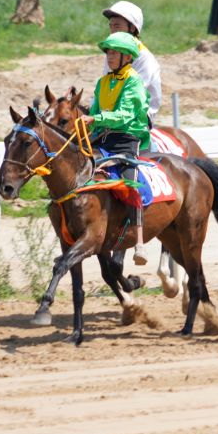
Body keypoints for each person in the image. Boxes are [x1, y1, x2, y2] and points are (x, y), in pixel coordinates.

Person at [80, 32, 151, 266]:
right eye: (108, 52)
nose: (109, 56)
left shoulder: (134, 81)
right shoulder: (102, 82)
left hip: (126, 140)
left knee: (131, 182)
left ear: (126, 57)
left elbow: (125, 115)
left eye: (113, 52)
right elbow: (94, 114)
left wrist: (96, 118)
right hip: (102, 139)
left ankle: (139, 243)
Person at [102, 0, 161, 129]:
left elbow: (131, 98)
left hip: (137, 120)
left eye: (117, 26)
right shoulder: (111, 52)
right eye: (111, 26)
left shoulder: (144, 57)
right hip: (111, 114)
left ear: (132, 28)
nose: (113, 31)